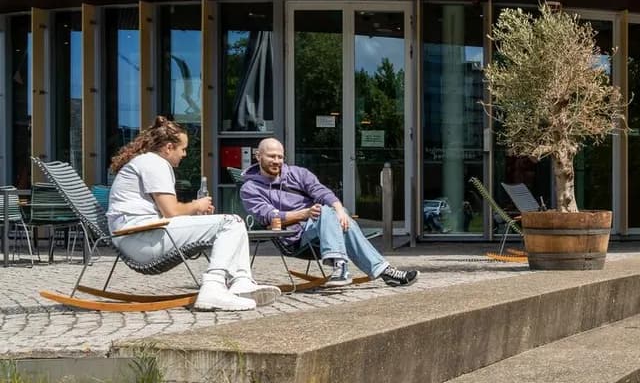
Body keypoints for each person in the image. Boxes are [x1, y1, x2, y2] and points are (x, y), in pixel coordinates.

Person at [106, 117, 280, 312]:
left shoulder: (147, 162)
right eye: (183, 149)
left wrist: (197, 214)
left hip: (140, 236)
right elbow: (171, 211)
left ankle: (241, 282)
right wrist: (196, 205)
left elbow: (168, 214)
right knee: (229, 222)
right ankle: (213, 287)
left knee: (234, 222)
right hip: (140, 239)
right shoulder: (154, 163)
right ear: (169, 147)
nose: (185, 154)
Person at [239, 138, 419, 288]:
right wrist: (306, 214)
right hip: (295, 238)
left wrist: (340, 211)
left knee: (332, 211)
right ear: (258, 156)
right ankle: (382, 270)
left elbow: (322, 192)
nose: (277, 161)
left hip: (322, 227)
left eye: (280, 156)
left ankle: (341, 267)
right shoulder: (251, 188)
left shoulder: (298, 174)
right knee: (326, 211)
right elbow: (268, 217)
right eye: (271, 156)